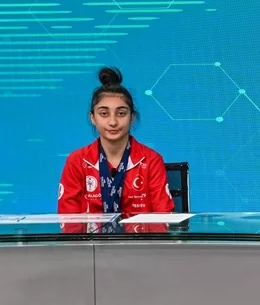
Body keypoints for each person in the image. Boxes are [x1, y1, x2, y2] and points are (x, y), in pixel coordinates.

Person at [58, 67, 174, 216]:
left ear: (131, 118)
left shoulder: (151, 160)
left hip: (141, 233)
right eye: (104, 113)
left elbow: (164, 217)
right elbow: (67, 220)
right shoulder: (77, 161)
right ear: (93, 118)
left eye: (121, 113)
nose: (113, 122)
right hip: (91, 233)